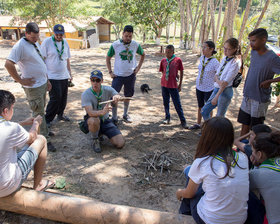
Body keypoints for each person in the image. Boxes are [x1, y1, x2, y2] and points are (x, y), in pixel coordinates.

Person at [176, 117, 249, 224]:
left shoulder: (203, 162)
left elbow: (189, 194)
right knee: (195, 175)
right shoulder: (242, 158)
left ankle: (184, 215)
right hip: (240, 219)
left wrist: (179, 192)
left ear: (207, 137)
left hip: (209, 220)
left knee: (191, 183)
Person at [5, 22, 56, 152]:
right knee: (38, 112)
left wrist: (47, 80)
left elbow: (40, 62)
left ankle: (44, 131)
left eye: (37, 37)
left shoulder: (33, 43)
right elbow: (8, 64)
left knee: (41, 110)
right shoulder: (20, 46)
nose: (36, 39)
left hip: (42, 83)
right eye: (33, 37)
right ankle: (44, 139)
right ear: (26, 33)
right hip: (33, 86)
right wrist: (20, 80)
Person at [0, 90, 55, 198]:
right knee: (41, 139)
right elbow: (32, 138)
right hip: (5, 187)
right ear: (6, 111)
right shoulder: (12, 128)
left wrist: (23, 122)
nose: (13, 110)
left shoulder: (11, 128)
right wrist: (36, 124)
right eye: (12, 108)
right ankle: (38, 184)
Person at [238, 28, 280, 136]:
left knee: (256, 129)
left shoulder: (273, 58)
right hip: (247, 95)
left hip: (259, 98)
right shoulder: (254, 52)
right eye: (250, 40)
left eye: (253, 40)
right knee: (244, 123)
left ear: (263, 40)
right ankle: (241, 148)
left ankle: (254, 151)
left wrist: (270, 81)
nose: (251, 44)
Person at [106, 25, 145, 124]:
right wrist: (110, 72)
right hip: (118, 76)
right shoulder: (115, 45)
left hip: (130, 76)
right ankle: (114, 117)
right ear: (122, 34)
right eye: (126, 36)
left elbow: (143, 55)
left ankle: (125, 114)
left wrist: (138, 68)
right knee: (114, 97)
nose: (128, 38)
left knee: (128, 96)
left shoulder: (135, 45)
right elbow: (108, 58)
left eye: (130, 36)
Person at [81, 70, 125, 153]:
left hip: (106, 120)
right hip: (93, 118)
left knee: (120, 144)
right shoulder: (85, 94)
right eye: (92, 80)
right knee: (94, 120)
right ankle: (95, 139)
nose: (95, 83)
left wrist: (117, 98)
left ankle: (101, 132)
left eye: (97, 80)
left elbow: (116, 94)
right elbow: (90, 112)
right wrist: (101, 112)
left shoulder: (107, 89)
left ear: (102, 81)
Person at [201, 38, 241, 121]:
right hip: (217, 88)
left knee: (220, 116)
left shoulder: (235, 63)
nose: (225, 51)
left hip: (224, 91)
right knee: (204, 111)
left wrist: (216, 96)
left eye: (228, 49)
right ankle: (209, 129)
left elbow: (225, 83)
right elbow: (216, 75)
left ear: (234, 49)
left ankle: (217, 133)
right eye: (224, 48)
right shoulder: (225, 59)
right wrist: (219, 81)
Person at [41, 24, 72, 127]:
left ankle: (60, 114)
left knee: (63, 97)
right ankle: (48, 119)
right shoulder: (47, 42)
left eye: (61, 34)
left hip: (64, 75)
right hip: (52, 76)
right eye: (57, 34)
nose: (59, 36)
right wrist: (46, 77)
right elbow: (42, 60)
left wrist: (70, 73)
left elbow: (67, 59)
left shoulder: (65, 42)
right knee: (55, 98)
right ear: (53, 33)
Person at [248, 131, 280, 224]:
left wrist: (254, 166)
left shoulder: (258, 174)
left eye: (253, 151)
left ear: (259, 154)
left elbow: (241, 185)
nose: (252, 154)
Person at [189, 41, 220, 130]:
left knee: (208, 108)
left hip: (209, 88)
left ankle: (208, 126)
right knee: (200, 105)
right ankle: (198, 123)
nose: (203, 49)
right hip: (199, 86)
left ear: (211, 49)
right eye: (202, 47)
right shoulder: (202, 58)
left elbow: (217, 75)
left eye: (205, 47)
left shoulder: (215, 62)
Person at [159, 45, 188, 129]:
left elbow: (181, 71)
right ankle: (167, 117)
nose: (167, 54)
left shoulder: (177, 60)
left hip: (173, 85)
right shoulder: (163, 60)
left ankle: (183, 121)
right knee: (165, 102)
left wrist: (180, 84)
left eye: (169, 52)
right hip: (164, 85)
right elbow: (163, 72)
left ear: (173, 52)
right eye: (166, 52)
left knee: (177, 103)